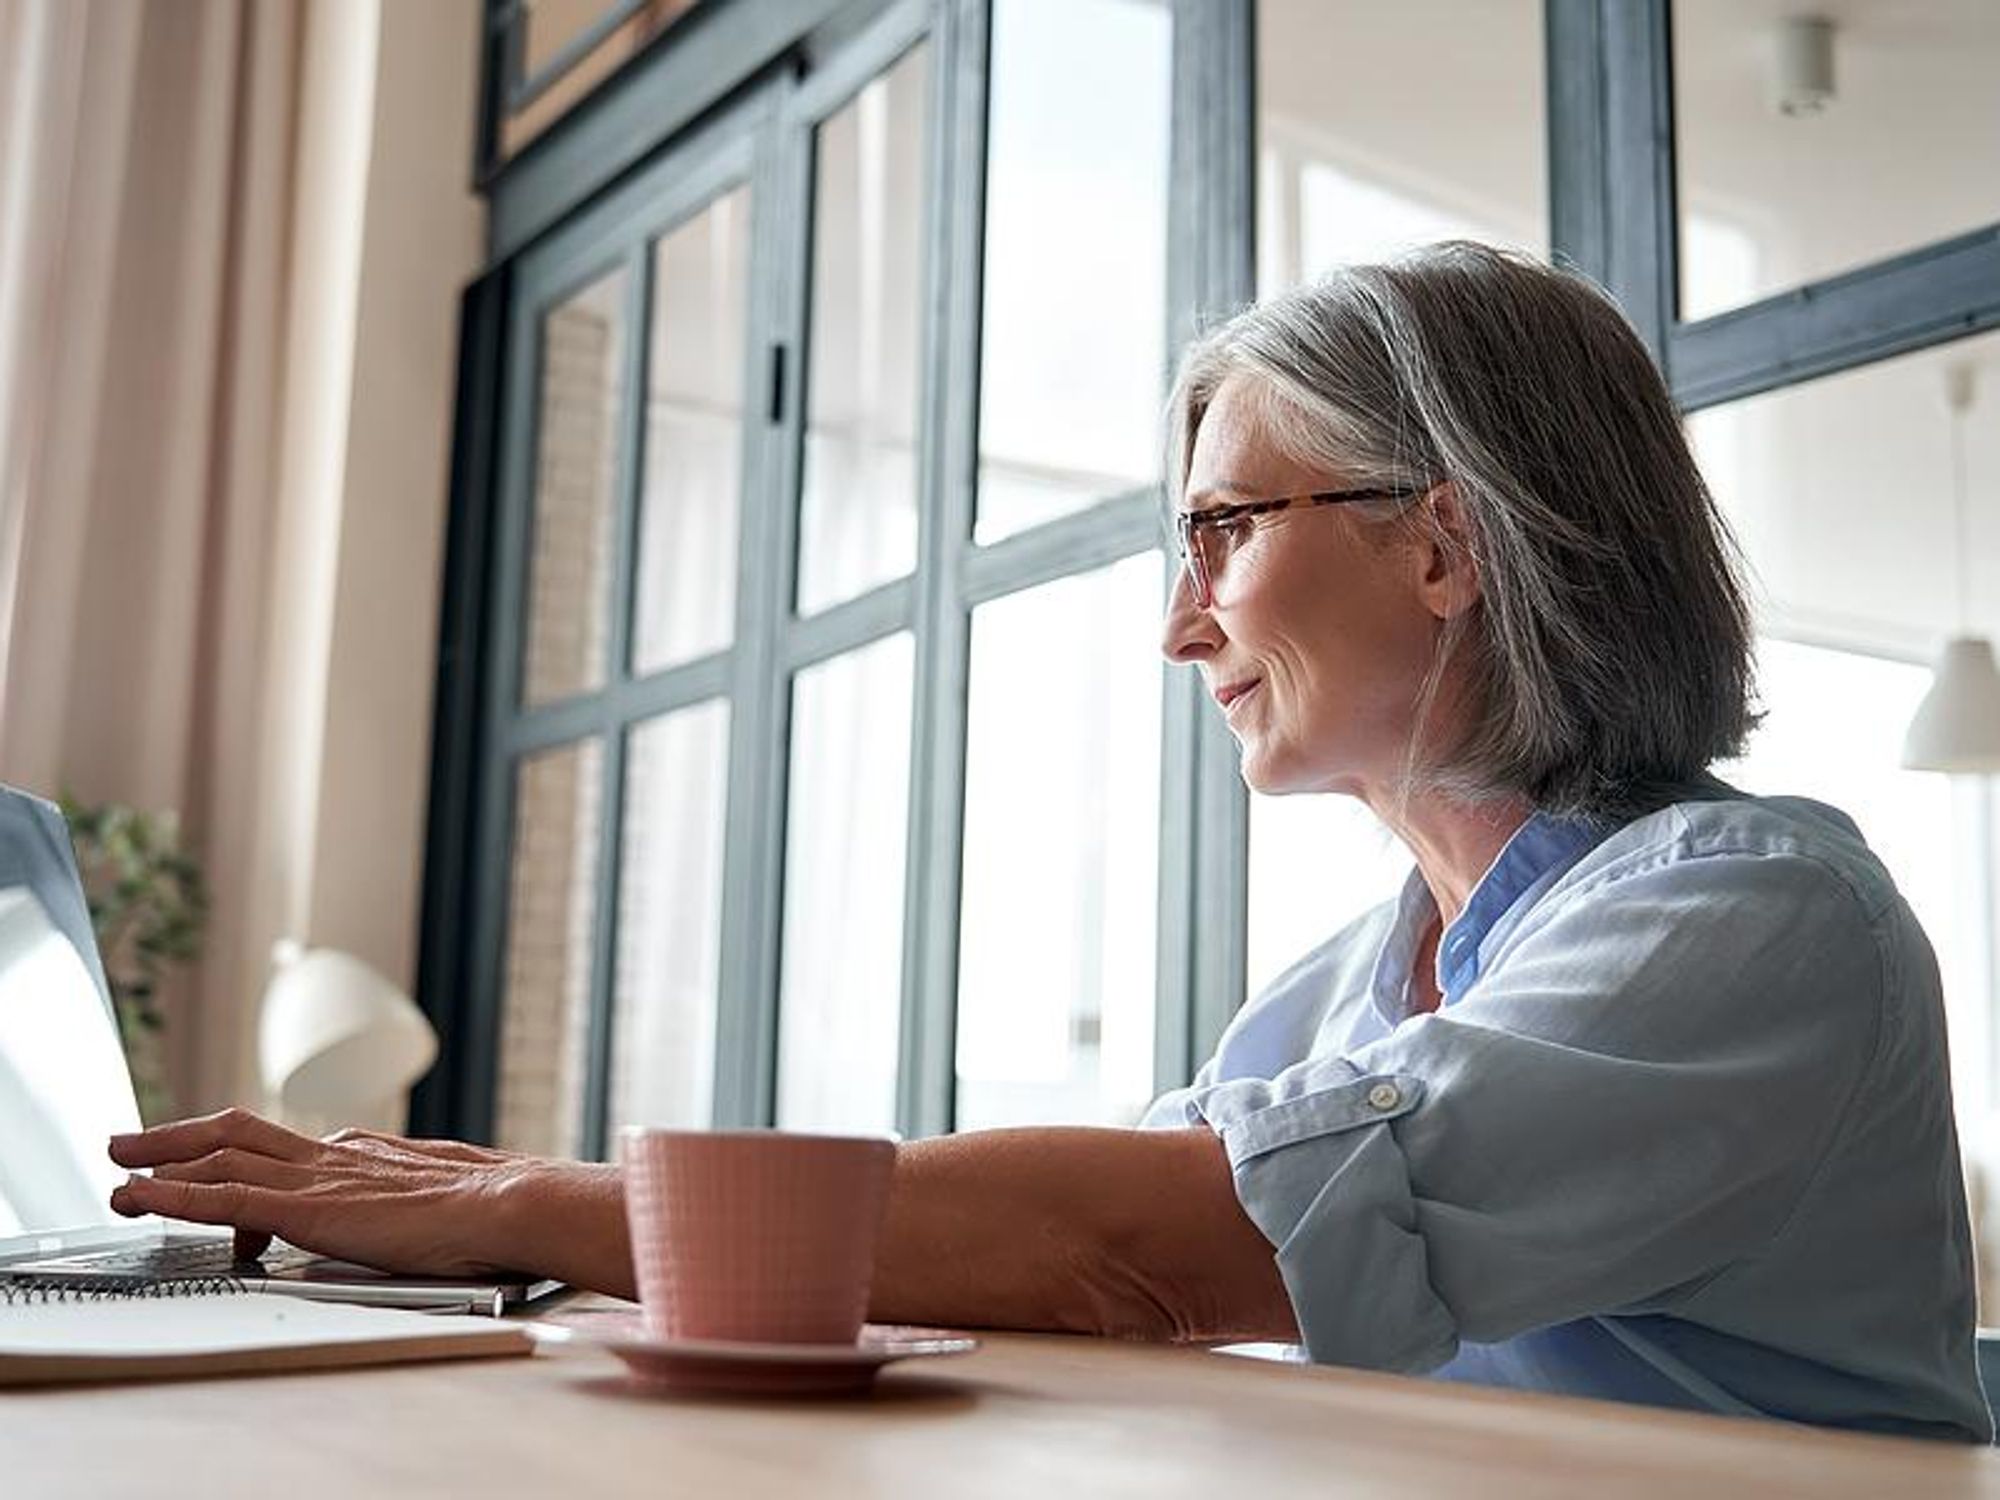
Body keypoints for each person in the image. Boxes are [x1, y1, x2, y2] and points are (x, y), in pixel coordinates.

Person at [108, 242, 1989, 1440]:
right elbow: (1063, 1241)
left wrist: (518, 1206)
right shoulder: (1351, 986)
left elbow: (1153, 1249)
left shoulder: (1763, 919)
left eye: (1224, 532)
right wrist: (513, 1213)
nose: (1184, 628)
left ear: (1445, 543)